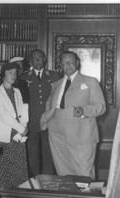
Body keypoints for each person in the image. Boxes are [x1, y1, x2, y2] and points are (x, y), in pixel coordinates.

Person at [40, 51, 106, 179]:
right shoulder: (56, 84)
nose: (68, 64)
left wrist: (84, 110)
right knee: (63, 172)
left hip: (81, 135)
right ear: (61, 65)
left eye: (71, 61)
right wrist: (47, 119)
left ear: (77, 63)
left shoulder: (90, 81)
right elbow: (49, 104)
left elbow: (101, 106)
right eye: (64, 62)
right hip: (57, 135)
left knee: (84, 172)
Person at [21, 49, 60, 177]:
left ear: (44, 59)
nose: (37, 60)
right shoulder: (24, 77)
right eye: (34, 58)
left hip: (50, 119)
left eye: (40, 58)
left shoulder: (54, 76)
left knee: (49, 151)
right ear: (31, 61)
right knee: (32, 151)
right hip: (31, 120)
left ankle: (48, 180)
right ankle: (34, 179)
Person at [0, 62, 29, 187]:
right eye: (10, 72)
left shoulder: (17, 91)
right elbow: (4, 116)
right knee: (4, 170)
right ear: (3, 74)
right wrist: (21, 128)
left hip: (18, 135)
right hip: (4, 136)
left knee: (19, 169)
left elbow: (22, 110)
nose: (13, 75)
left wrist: (23, 127)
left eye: (15, 72)